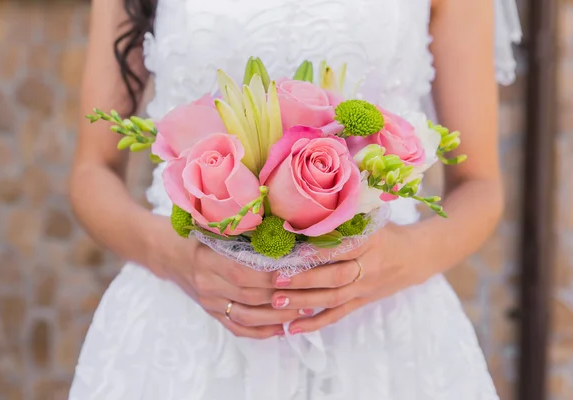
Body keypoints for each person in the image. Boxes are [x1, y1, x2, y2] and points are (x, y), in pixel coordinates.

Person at [68, 0, 521, 398]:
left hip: (379, 329)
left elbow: (480, 186)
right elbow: (92, 174)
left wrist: (401, 257)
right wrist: (174, 257)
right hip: (184, 320)